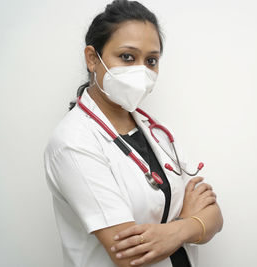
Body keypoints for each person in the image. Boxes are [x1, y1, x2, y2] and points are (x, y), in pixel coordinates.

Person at [43, 1, 223, 267]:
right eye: (128, 56)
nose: (141, 70)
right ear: (93, 58)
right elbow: (129, 255)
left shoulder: (157, 132)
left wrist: (177, 230)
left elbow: (215, 216)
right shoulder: (73, 144)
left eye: (151, 60)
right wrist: (190, 224)